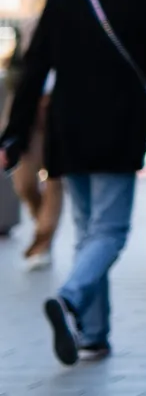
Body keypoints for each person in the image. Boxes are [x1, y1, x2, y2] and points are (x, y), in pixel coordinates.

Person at [0, 0, 146, 366]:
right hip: (120, 126)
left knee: (86, 230)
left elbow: (34, 68)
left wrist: (14, 134)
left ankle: (94, 335)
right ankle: (72, 298)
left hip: (68, 127)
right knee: (110, 230)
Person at [4, 30, 62, 271]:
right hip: (28, 124)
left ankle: (43, 243)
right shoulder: (23, 59)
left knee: (54, 182)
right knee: (24, 183)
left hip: (59, 119)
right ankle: (43, 230)